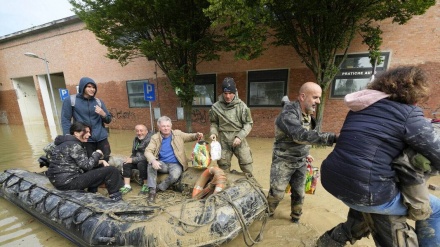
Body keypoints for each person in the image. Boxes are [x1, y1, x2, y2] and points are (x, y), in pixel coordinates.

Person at [318, 66, 440, 246]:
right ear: (413, 93)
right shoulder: (408, 114)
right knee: (436, 208)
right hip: (369, 192)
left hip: (333, 182)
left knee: (367, 209)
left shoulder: (358, 109)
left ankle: (328, 241)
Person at [266, 82, 338, 223]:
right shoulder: (287, 114)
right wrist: (333, 138)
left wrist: (307, 153)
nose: (318, 101)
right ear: (302, 96)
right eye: (315, 97)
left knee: (299, 193)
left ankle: (296, 218)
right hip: (283, 160)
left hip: (301, 161)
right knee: (277, 193)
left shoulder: (308, 114)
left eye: (319, 98)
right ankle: (266, 215)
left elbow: (308, 136)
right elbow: (300, 135)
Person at [46, 122, 124, 201]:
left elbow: (80, 163)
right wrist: (97, 153)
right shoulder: (75, 145)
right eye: (86, 132)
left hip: (58, 182)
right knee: (111, 170)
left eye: (89, 132)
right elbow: (87, 166)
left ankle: (92, 192)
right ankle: (116, 199)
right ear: (76, 133)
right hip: (68, 183)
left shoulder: (61, 144)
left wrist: (102, 161)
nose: (89, 135)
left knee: (94, 170)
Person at [145, 116, 203, 203]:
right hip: (162, 164)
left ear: (171, 126)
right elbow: (147, 151)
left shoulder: (178, 134)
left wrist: (197, 135)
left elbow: (190, 137)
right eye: (163, 126)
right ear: (159, 127)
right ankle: (152, 191)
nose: (166, 128)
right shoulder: (155, 137)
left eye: (168, 126)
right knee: (150, 165)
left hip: (176, 164)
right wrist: (153, 160)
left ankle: (160, 188)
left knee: (175, 175)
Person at [61, 77, 112, 161]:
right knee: (88, 163)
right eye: (89, 86)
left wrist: (103, 114)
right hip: (85, 139)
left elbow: (108, 120)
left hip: (102, 139)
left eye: (94, 87)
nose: (92, 89)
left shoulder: (99, 102)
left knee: (106, 160)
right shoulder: (71, 100)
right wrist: (68, 138)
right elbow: (65, 120)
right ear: (82, 87)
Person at [209, 77, 253, 174]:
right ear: (222, 93)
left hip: (239, 139)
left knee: (246, 164)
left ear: (235, 92)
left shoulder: (242, 106)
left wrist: (240, 137)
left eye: (230, 93)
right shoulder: (216, 107)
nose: (228, 96)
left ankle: (251, 185)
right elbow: (214, 122)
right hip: (223, 140)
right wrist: (213, 133)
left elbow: (248, 124)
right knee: (223, 167)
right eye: (225, 93)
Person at [120, 124, 153, 195]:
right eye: (137, 131)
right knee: (126, 164)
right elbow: (134, 152)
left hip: (147, 160)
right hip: (137, 158)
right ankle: (127, 186)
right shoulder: (136, 139)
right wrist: (129, 159)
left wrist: (133, 160)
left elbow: (147, 155)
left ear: (146, 131)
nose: (139, 133)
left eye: (141, 131)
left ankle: (146, 185)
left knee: (141, 164)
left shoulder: (150, 140)